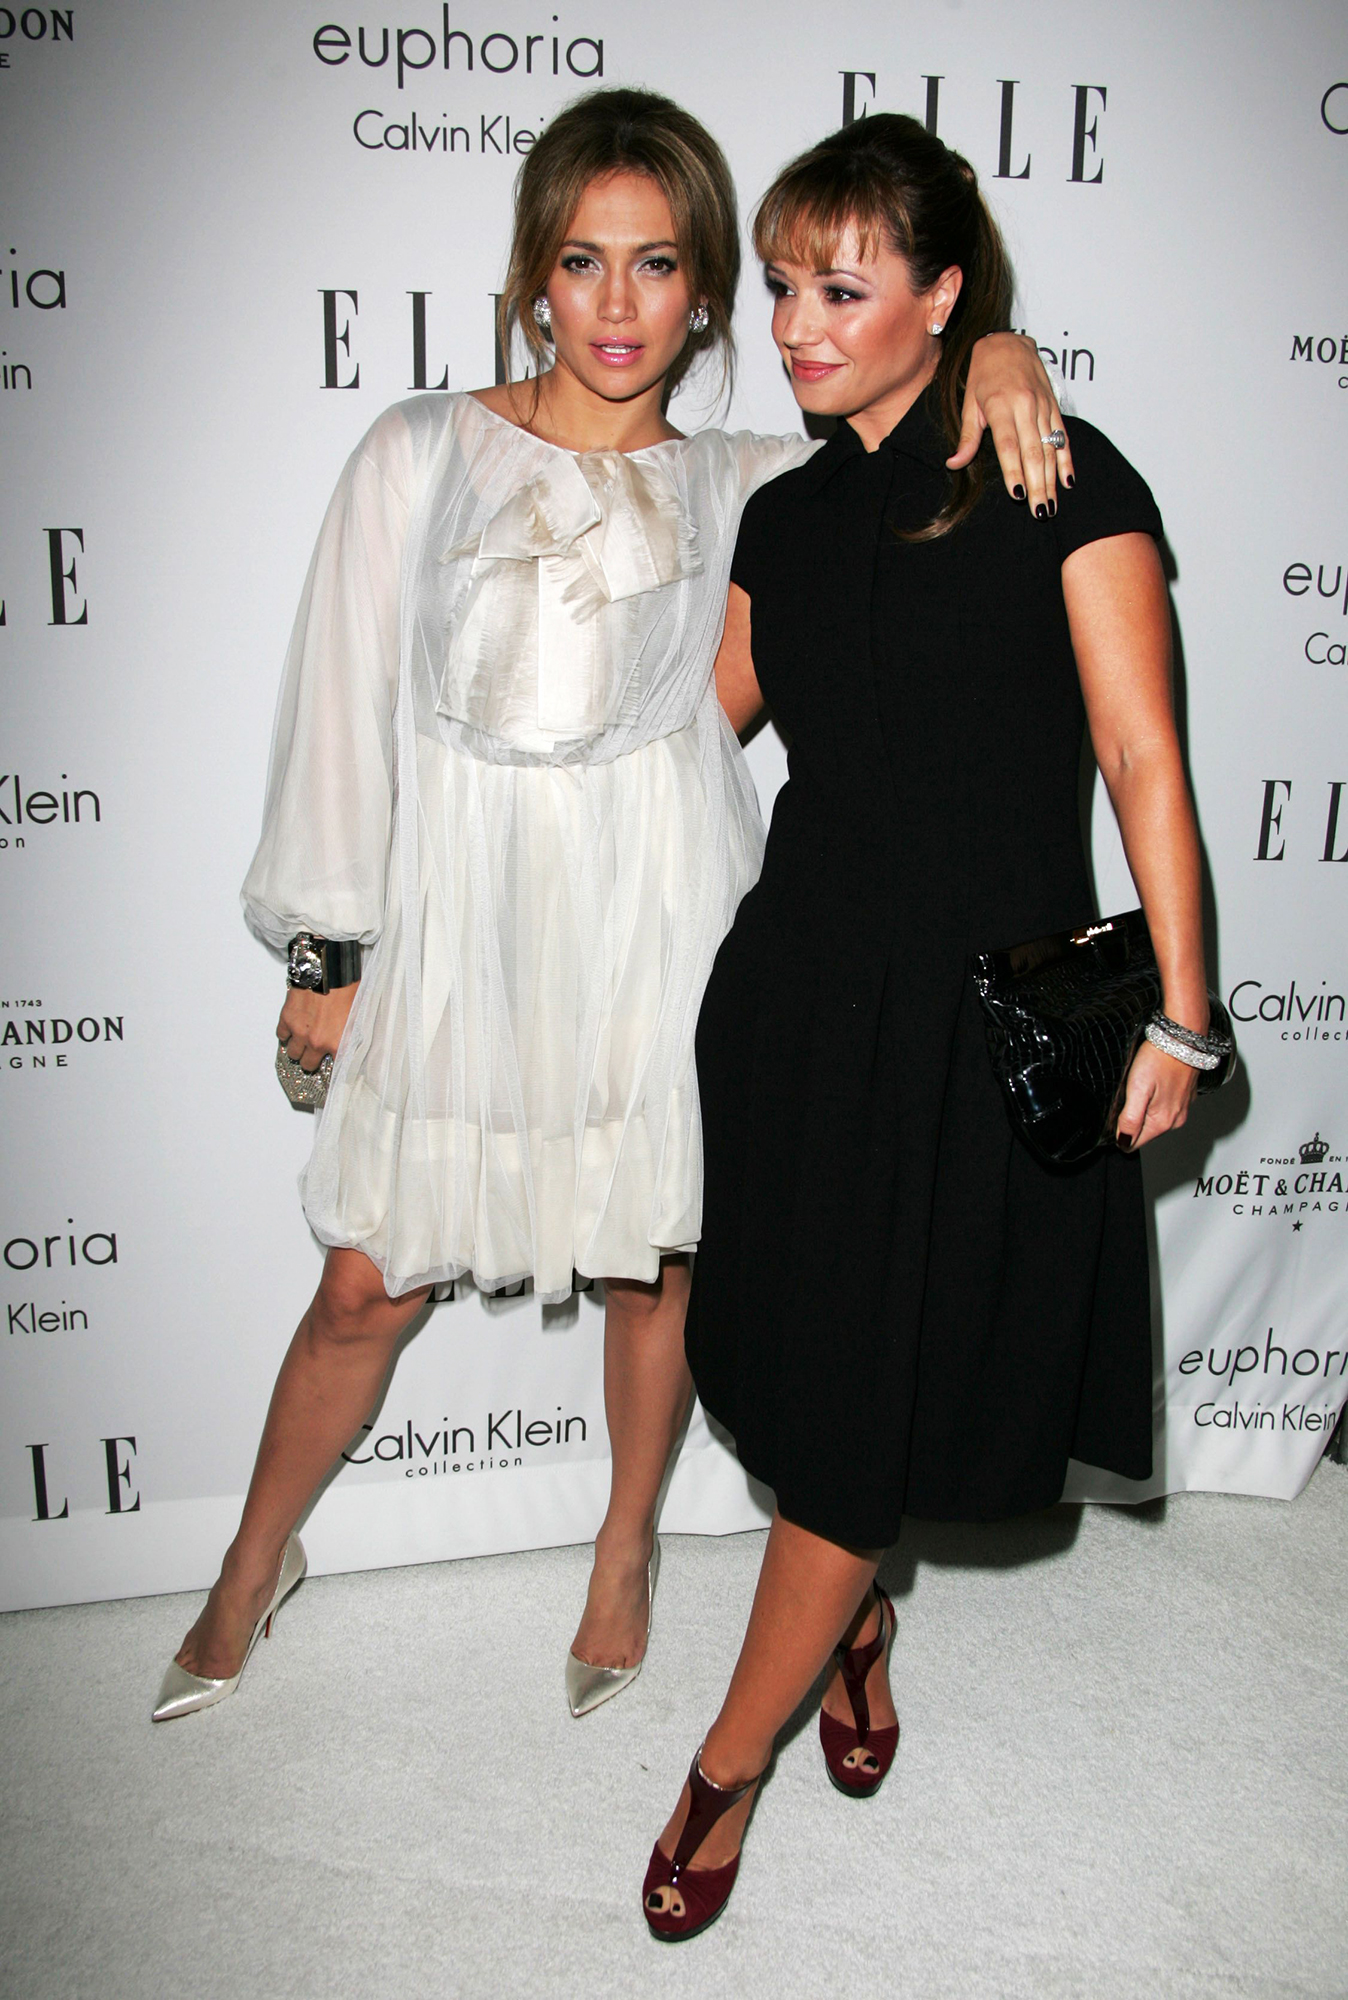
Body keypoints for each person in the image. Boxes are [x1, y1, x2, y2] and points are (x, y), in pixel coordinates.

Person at [152, 91, 1065, 1725]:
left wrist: (1002, 350)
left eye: (658, 264)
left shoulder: (753, 480)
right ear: (535, 275)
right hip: (462, 922)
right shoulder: (420, 451)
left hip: (662, 912)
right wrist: (327, 948)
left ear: (708, 288)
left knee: (657, 1264)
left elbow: (923, 426)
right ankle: (248, 1563)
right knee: (367, 1279)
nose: (620, 304)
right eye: (584, 261)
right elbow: (341, 710)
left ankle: (624, 1546)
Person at [643, 112, 1223, 1939]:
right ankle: (857, 1627)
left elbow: (1141, 755)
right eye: (782, 289)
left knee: (855, 1413)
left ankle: (725, 1760)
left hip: (970, 1026)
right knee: (799, 1366)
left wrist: (1184, 1020)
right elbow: (693, 731)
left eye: (844, 289)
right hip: (794, 1006)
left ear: (945, 294)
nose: (796, 327)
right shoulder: (783, 515)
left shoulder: (1056, 473)